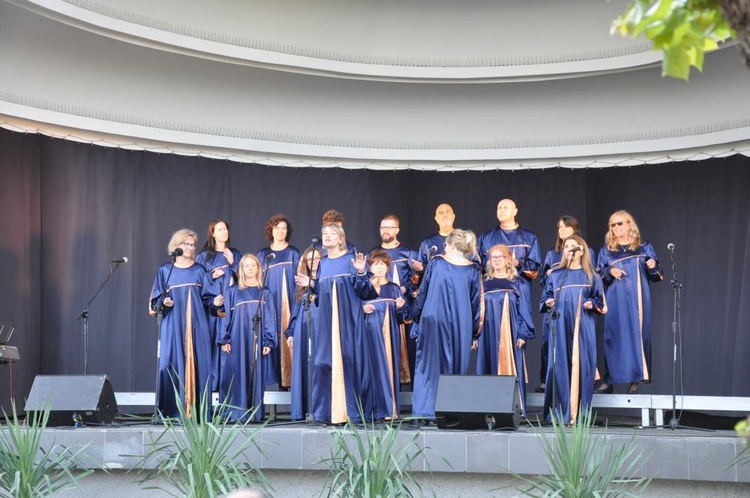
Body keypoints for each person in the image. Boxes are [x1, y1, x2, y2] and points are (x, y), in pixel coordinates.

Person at [294, 224, 374, 424]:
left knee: (350, 362)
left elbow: (365, 292)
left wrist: (362, 272)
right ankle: (325, 413)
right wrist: (311, 284)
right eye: (324, 234)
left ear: (341, 239)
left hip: (349, 322)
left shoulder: (351, 260)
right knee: (322, 363)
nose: (327, 236)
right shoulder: (324, 263)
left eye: (331, 234)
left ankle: (352, 413)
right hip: (327, 323)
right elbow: (322, 294)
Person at [149, 228, 223, 419]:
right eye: (186, 244)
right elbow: (156, 300)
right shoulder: (166, 270)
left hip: (197, 325)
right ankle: (171, 412)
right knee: (168, 364)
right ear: (176, 245)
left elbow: (208, 297)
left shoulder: (199, 270)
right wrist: (163, 302)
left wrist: (214, 302)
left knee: (198, 364)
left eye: (192, 245)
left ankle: (197, 413)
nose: (190, 248)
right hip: (172, 325)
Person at [412, 229, 484, 421]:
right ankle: (450, 410)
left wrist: (417, 318)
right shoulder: (472, 270)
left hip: (433, 319)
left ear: (451, 245)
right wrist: (475, 332)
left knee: (429, 366)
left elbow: (423, 292)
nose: (444, 247)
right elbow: (477, 304)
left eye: (446, 244)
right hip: (461, 323)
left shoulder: (436, 263)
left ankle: (426, 410)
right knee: (455, 364)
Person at [595, 210, 663, 394]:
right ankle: (609, 380)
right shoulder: (607, 250)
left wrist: (653, 266)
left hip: (638, 298)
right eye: (613, 225)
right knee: (613, 336)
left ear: (629, 224)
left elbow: (657, 275)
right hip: (615, 299)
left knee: (638, 335)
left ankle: (636, 379)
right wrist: (609, 272)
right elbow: (598, 275)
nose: (616, 227)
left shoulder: (643, 247)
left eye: (620, 223)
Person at [540, 235, 606, 424]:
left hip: (583, 327)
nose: (568, 249)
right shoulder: (556, 274)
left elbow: (599, 300)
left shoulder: (591, 275)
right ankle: (558, 413)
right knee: (558, 366)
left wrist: (591, 303)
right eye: (566, 246)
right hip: (559, 326)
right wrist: (548, 301)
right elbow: (545, 298)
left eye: (573, 246)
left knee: (582, 366)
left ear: (581, 250)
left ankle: (580, 414)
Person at [536, 215, 595, 394]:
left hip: (576, 303)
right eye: (559, 227)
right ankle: (548, 380)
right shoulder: (552, 253)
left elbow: (591, 274)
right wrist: (548, 275)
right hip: (556, 303)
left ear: (574, 229)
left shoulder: (585, 250)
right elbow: (544, 281)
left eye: (565, 227)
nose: (561, 230)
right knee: (549, 341)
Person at [476, 244, 535, 417]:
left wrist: (523, 333)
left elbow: (525, 309)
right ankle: (489, 409)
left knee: (510, 366)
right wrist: (475, 334)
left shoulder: (517, 283)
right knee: (488, 365)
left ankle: (514, 408)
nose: (496, 260)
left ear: (508, 259)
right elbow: (477, 311)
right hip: (487, 333)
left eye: (500, 256)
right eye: (493, 257)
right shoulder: (483, 283)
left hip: (511, 332)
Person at [218, 254, 277, 422]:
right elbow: (226, 317)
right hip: (237, 339)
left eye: (254, 265)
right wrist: (225, 339)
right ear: (241, 269)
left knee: (255, 374)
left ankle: (255, 414)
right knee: (236, 374)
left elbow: (270, 318)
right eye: (246, 266)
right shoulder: (233, 291)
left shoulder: (265, 292)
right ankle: (234, 414)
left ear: (259, 268)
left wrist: (268, 341)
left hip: (256, 339)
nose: (250, 268)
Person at [354, 249, 407, 420]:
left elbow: (401, 319)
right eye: (375, 264)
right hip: (369, 333)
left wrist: (400, 308)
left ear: (387, 267)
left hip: (389, 335)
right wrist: (362, 309)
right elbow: (354, 311)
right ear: (370, 267)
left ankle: (388, 410)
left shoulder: (394, 288)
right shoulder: (365, 288)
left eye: (382, 265)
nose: (379, 268)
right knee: (369, 369)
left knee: (388, 368)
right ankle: (370, 411)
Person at [368, 214, 416, 385]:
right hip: (379, 312)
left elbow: (416, 281)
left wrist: (403, 290)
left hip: (402, 311)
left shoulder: (409, 253)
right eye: (383, 227)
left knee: (406, 353)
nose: (386, 230)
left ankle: (407, 398)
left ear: (397, 230)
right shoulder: (372, 254)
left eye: (390, 227)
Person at [195, 219, 242, 392]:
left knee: (230, 349)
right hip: (212, 312)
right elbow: (197, 281)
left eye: (225, 229)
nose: (223, 232)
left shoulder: (235, 254)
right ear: (212, 233)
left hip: (232, 311)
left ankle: (230, 390)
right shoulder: (204, 257)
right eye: (219, 229)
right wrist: (211, 277)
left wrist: (233, 264)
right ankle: (211, 389)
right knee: (212, 349)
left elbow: (246, 279)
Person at [478, 199, 541, 324]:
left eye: (505, 207)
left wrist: (518, 264)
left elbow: (535, 268)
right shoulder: (486, 237)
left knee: (518, 336)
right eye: (499, 207)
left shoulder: (528, 237)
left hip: (519, 293)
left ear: (515, 211)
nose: (501, 210)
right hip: (492, 295)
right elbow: (478, 266)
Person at [257, 214, 300, 390]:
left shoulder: (293, 253)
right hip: (270, 303)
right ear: (271, 231)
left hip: (289, 302)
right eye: (277, 228)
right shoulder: (263, 254)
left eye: (284, 228)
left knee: (289, 335)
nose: (281, 231)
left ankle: (291, 383)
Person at [285, 246, 321, 420]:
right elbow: (295, 310)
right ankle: (302, 409)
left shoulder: (324, 279)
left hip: (321, 327)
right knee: (303, 367)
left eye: (317, 259)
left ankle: (320, 409)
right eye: (310, 260)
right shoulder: (300, 285)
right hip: (302, 327)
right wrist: (291, 332)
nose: (313, 263)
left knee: (319, 366)